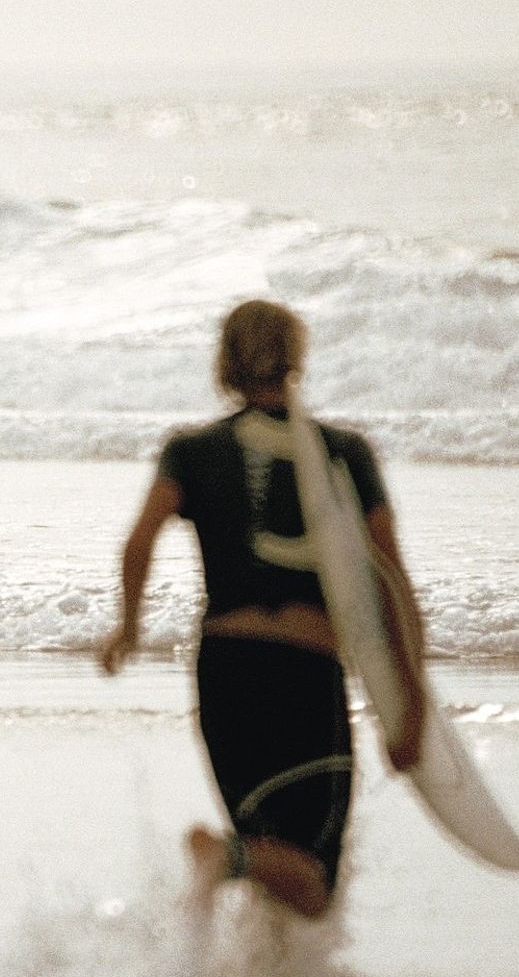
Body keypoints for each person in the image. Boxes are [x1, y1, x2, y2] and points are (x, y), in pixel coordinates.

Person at [98, 299, 426, 919]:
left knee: (269, 838)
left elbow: (139, 540)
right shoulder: (344, 453)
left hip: (223, 669)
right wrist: (411, 706)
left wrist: (129, 627)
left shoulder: (190, 450)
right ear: (296, 360)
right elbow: (391, 584)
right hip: (303, 674)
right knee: (314, 884)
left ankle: (253, 920)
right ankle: (222, 860)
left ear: (224, 367)